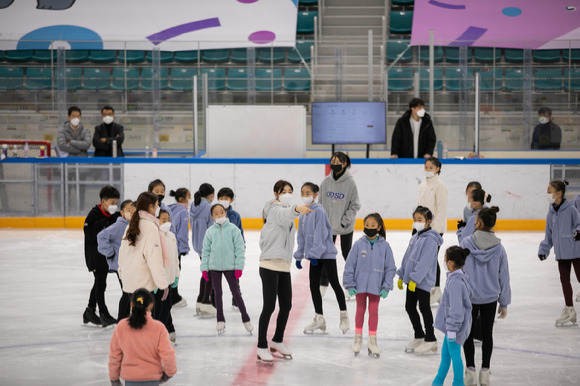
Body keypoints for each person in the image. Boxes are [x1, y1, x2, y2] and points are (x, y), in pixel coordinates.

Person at [256, 180, 313, 363]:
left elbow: (288, 219)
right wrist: (297, 209)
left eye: (290, 190)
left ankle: (277, 340)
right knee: (269, 306)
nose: (288, 193)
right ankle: (261, 346)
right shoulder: (273, 209)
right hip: (269, 265)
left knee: (287, 305)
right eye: (284, 191)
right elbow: (283, 216)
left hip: (283, 265)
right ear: (276, 193)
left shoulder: (287, 212)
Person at [460, 207, 511, 386]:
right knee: (487, 334)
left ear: (478, 223)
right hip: (490, 298)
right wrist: (504, 302)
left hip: (470, 297)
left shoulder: (466, 243)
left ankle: (471, 371)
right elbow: (504, 276)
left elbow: (458, 270)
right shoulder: (499, 248)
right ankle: (486, 371)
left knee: (468, 334)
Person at [294, 182, 349, 335]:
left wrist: (315, 254)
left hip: (326, 254)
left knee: (334, 283)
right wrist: (299, 255)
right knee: (313, 286)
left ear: (315, 195)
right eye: (303, 193)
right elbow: (302, 236)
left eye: (308, 193)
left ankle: (344, 315)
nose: (305, 196)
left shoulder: (319, 211)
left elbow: (320, 234)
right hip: (314, 255)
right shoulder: (304, 213)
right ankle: (319, 318)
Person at [343, 213, 396, 358]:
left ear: (379, 227)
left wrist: (386, 287)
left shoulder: (385, 246)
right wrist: (349, 284)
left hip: (376, 286)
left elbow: (390, 268)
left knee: (373, 311)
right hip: (359, 286)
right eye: (367, 225)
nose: (369, 228)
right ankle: (358, 338)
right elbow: (349, 266)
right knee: (360, 310)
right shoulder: (358, 245)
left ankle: (372, 341)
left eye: (373, 226)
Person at [397, 206, 443, 354]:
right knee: (409, 307)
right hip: (411, 280)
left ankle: (430, 338)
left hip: (422, 281)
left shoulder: (430, 241)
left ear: (428, 221)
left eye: (420, 220)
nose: (416, 222)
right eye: (415, 219)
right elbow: (407, 257)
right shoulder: (415, 236)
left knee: (424, 308)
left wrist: (415, 279)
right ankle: (419, 335)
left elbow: (425, 263)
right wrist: (402, 274)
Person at [201, 204, 252, 335]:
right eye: (216, 213)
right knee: (217, 294)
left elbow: (239, 249)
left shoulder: (233, 230)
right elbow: (205, 251)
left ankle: (246, 318)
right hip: (214, 267)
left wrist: (239, 267)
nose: (219, 215)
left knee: (236, 293)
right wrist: (204, 269)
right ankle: (220, 320)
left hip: (230, 267)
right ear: (212, 216)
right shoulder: (210, 231)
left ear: (226, 213)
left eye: (222, 212)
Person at [109, 289, 177, 386]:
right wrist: (168, 374)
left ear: (131, 304)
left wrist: (114, 379)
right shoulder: (158, 328)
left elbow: (115, 355)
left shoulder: (121, 326)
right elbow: (167, 354)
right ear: (151, 306)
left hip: (131, 378)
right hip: (152, 378)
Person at [118, 192, 170, 311]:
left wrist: (122, 274)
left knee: (137, 317)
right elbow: (154, 260)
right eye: (157, 205)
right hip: (143, 285)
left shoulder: (131, 224)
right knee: (145, 320)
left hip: (130, 281)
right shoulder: (150, 228)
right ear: (150, 207)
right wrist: (163, 284)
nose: (158, 208)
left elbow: (122, 253)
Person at [538, 180, 580, 326]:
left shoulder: (571, 209)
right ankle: (570, 310)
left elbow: (578, 224)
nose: (548, 195)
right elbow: (548, 235)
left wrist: (578, 231)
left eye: (549, 192)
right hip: (561, 253)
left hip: (575, 250)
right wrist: (544, 250)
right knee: (564, 280)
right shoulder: (551, 213)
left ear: (559, 193)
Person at [319, 152, 361, 298]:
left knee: (347, 254)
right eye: (332, 161)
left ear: (344, 164)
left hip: (345, 227)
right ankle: (323, 284)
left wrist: (344, 222)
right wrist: (322, 221)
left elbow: (355, 205)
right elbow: (320, 203)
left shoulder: (350, 183)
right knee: (327, 255)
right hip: (329, 226)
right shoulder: (326, 182)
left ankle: (352, 285)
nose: (334, 163)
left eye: (338, 161)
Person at [432, 246, 473, 386]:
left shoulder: (456, 282)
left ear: (450, 262)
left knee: (454, 355)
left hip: (454, 328)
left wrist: (452, 329)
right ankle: (438, 382)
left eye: (444, 259)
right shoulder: (457, 277)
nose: (443, 261)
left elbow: (456, 310)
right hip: (452, 327)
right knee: (446, 355)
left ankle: (458, 383)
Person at [83, 185, 121, 327]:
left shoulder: (115, 216)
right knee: (100, 281)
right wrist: (105, 222)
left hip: (108, 255)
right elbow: (90, 234)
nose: (114, 206)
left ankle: (90, 310)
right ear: (103, 201)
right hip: (95, 255)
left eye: (116, 203)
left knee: (99, 282)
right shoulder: (93, 215)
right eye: (112, 203)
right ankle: (103, 313)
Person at [97, 199, 135, 322]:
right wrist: (110, 253)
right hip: (121, 266)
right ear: (122, 213)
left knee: (129, 292)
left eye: (133, 210)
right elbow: (101, 236)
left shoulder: (133, 225)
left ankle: (125, 318)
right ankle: (122, 320)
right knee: (127, 292)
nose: (131, 212)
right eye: (128, 210)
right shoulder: (119, 226)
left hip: (130, 265)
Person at [417, 157, 448, 304]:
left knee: (431, 258)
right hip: (422, 228)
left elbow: (441, 210)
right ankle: (428, 289)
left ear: (437, 169)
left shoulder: (440, 186)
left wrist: (434, 231)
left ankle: (436, 289)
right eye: (426, 167)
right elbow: (419, 207)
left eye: (431, 167)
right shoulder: (423, 185)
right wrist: (416, 225)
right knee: (425, 258)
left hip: (435, 230)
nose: (428, 170)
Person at [217, 187, 245, 309]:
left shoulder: (235, 216)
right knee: (216, 280)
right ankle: (214, 301)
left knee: (234, 279)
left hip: (232, 253)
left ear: (231, 200)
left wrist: (242, 247)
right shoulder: (214, 214)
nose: (223, 200)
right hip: (217, 252)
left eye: (226, 198)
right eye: (221, 198)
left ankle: (236, 299)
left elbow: (240, 232)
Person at [190, 183, 215, 316]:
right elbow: (213, 230)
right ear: (211, 195)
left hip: (198, 245)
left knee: (206, 273)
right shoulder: (209, 208)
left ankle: (200, 302)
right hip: (208, 246)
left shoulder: (194, 206)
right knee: (210, 275)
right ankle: (206, 302)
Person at [157, 209, 180, 345]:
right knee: (158, 311)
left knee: (167, 308)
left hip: (170, 280)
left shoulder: (171, 236)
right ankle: (159, 337)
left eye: (168, 220)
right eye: (163, 220)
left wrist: (176, 275)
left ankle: (167, 332)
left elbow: (175, 259)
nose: (167, 223)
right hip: (159, 282)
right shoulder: (155, 236)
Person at [168, 188, 191, 307]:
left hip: (166, 244)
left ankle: (171, 295)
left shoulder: (170, 207)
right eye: (189, 196)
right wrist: (184, 248)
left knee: (169, 270)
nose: (190, 199)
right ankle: (174, 297)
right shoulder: (183, 211)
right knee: (176, 270)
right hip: (175, 246)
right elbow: (182, 232)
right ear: (182, 198)